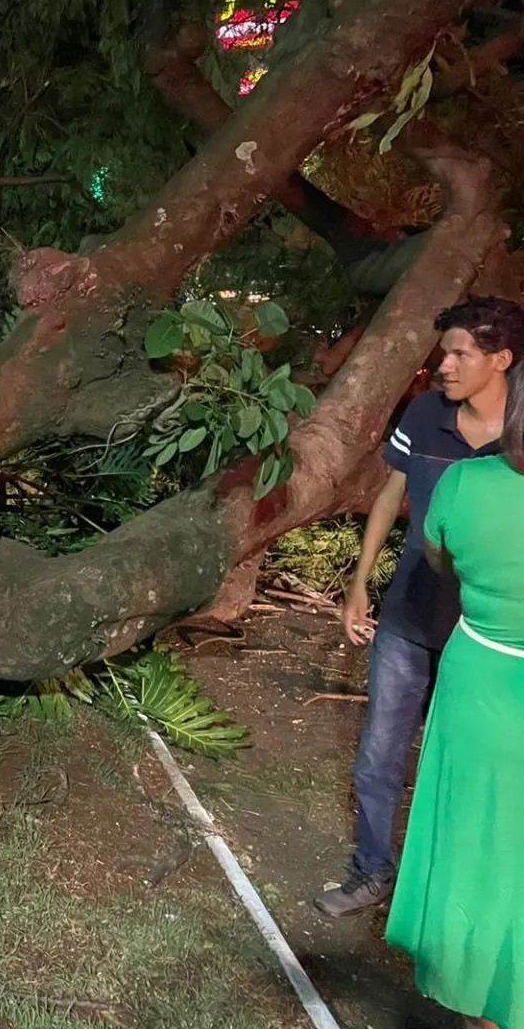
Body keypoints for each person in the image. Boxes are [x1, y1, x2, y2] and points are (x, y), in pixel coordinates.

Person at [316, 297, 524, 918]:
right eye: (445, 351)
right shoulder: (427, 414)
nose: (445, 364)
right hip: (409, 618)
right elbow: (390, 495)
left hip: (481, 638)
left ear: (502, 360)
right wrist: (359, 583)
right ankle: (372, 872)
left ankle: (453, 893)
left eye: (461, 352)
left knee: (460, 766)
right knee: (380, 754)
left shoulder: (521, 434)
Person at [385, 364, 524, 1029]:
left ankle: (481, 1003)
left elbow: (440, 558)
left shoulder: (467, 484)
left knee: (480, 839)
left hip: (483, 678)